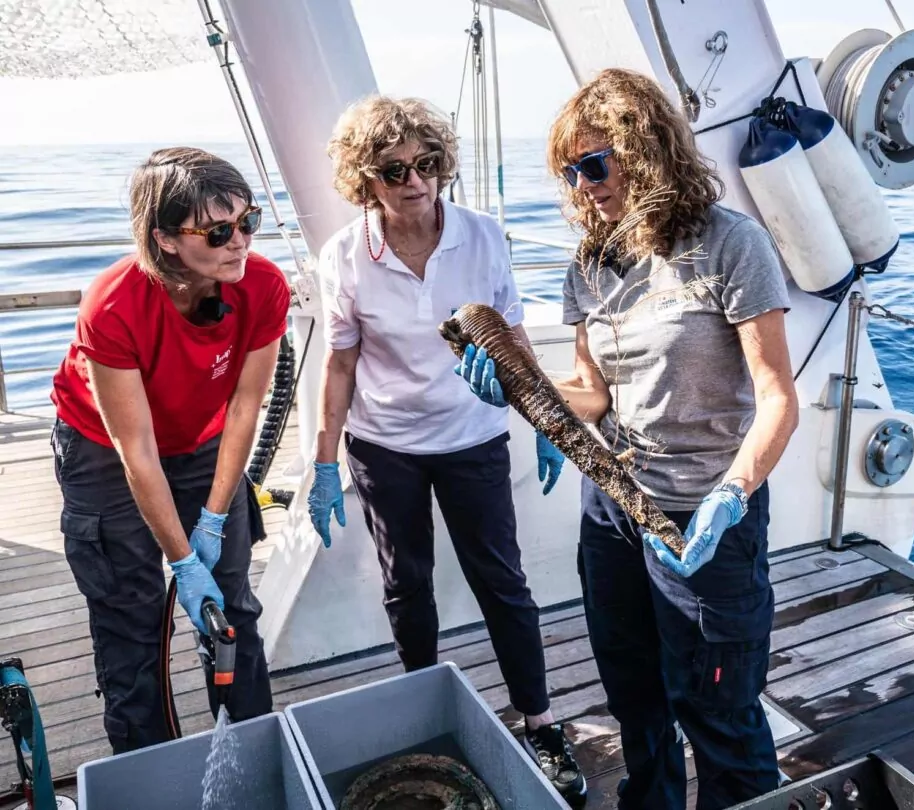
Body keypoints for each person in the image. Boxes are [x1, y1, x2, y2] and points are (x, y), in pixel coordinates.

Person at [458, 68, 800, 809]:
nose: (583, 187)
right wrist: (522, 389)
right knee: (634, 692)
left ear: (646, 149)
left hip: (707, 513)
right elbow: (593, 393)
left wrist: (733, 496)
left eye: (593, 164)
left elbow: (777, 398)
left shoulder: (730, 244)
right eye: (568, 173)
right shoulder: (591, 263)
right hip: (613, 507)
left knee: (717, 705)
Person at [306, 94, 586, 806]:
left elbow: (513, 337)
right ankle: (420, 707)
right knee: (408, 585)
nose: (414, 180)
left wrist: (545, 423)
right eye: (394, 169)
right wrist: (325, 462)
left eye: (426, 163)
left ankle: (541, 721)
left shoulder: (483, 235)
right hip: (386, 444)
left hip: (473, 435)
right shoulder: (344, 255)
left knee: (503, 581)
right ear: (366, 178)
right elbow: (338, 364)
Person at [49, 147, 288, 754]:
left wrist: (212, 516)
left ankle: (250, 757)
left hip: (205, 441)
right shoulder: (113, 304)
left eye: (247, 222)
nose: (240, 242)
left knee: (232, 603)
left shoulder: (261, 285)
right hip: (104, 451)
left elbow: (243, 409)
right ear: (166, 239)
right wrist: (181, 560)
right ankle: (146, 768)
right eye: (218, 230)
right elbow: (137, 452)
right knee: (133, 615)